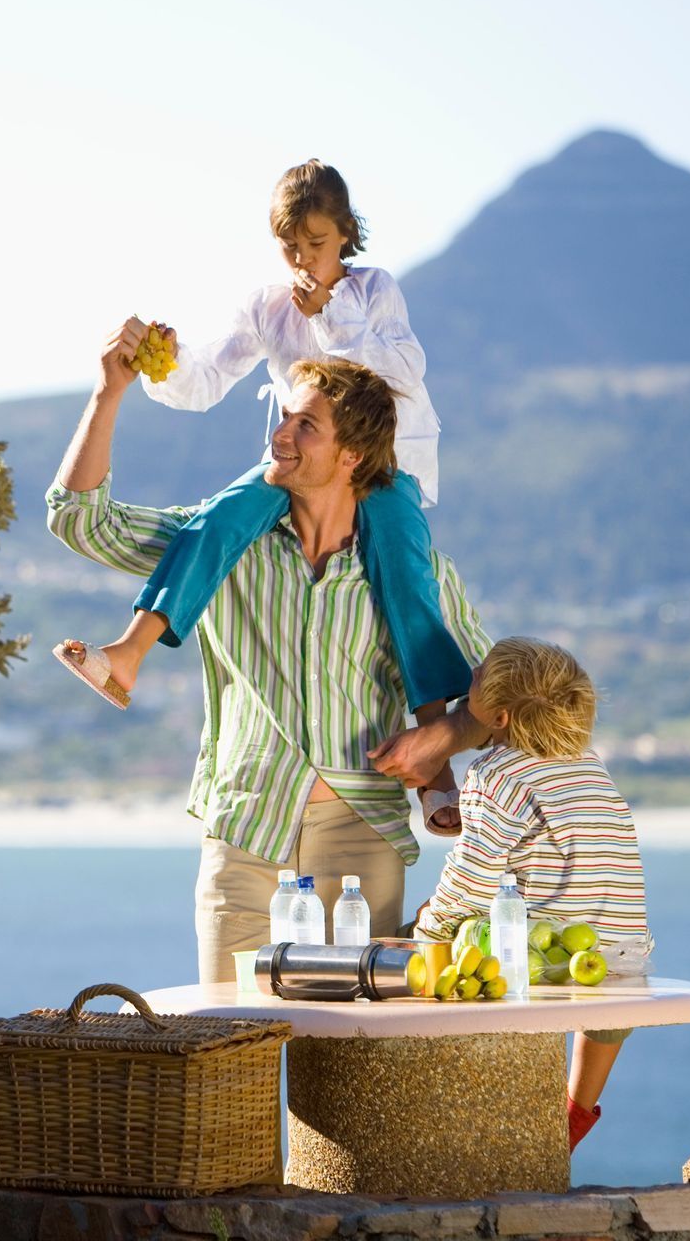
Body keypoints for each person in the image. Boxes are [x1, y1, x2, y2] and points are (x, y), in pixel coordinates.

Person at [48, 347, 492, 978]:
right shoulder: (220, 544)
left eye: (305, 424)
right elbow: (80, 521)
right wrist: (108, 391)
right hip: (245, 832)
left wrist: (440, 740)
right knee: (225, 1053)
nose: (280, 434)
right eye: (284, 416)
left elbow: (503, 695)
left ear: (352, 457)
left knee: (354, 1064)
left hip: (361, 834)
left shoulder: (418, 571)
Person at [53, 163, 469, 805]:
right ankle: (129, 654)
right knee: (218, 519)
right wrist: (163, 360)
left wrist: (329, 316)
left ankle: (435, 759)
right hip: (299, 462)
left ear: (346, 236)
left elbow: (405, 370)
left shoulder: (376, 291)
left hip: (386, 466)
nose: (303, 258)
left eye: (318, 243)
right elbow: (205, 382)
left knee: (406, 578)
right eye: (290, 246)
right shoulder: (265, 306)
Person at [411, 637, 651, 1153]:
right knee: (606, 1010)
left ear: (496, 717)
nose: (469, 672)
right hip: (623, 955)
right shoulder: (588, 765)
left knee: (450, 921)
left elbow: (471, 878)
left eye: (476, 678)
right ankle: (577, 1110)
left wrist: (427, 931)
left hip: (547, 954)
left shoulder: (495, 775)